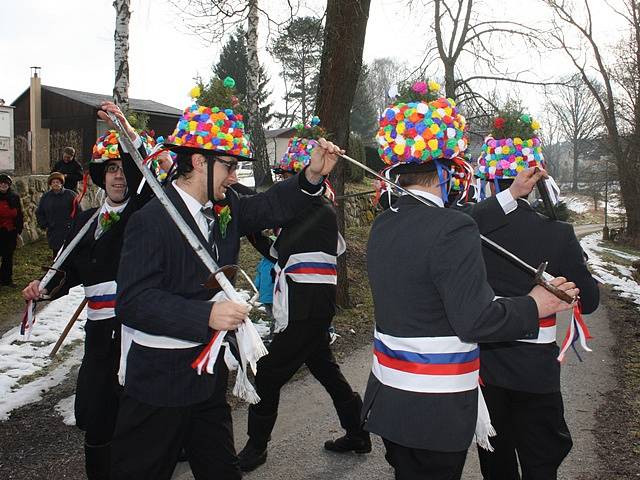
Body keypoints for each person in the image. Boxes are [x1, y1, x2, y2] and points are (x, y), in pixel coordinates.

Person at [111, 78, 340, 480]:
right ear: (199, 161)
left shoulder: (226, 206)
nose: (235, 176)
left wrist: (310, 177)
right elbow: (134, 302)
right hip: (159, 386)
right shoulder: (151, 220)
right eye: (230, 166)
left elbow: (269, 206)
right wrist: (205, 317)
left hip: (207, 380)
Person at [362, 81, 580, 480]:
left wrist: (511, 194)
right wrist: (537, 304)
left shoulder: (386, 223)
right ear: (447, 171)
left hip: (391, 401)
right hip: (435, 410)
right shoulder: (449, 227)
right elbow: (475, 320)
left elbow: (458, 225)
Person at [22, 104, 154, 480]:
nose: (117, 177)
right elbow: (67, 271)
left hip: (135, 331)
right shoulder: (85, 220)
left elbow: (147, 171)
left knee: (136, 413)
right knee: (94, 413)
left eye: (121, 169)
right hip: (98, 335)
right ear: (99, 176)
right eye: (109, 169)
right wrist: (42, 290)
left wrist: (126, 131)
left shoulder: (143, 212)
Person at [237, 118, 371, 472]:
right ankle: (358, 431)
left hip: (306, 312)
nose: (283, 185)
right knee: (325, 369)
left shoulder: (316, 210)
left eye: (287, 177)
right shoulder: (310, 212)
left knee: (267, 372)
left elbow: (274, 229)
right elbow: (282, 252)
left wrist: (241, 200)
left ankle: (256, 445)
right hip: (307, 309)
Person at [474, 111, 600, 480]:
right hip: (536, 374)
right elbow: (588, 301)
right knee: (541, 463)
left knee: (495, 466)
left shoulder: (471, 226)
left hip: (487, 368)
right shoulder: (559, 234)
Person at [36, 171, 79, 255]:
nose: (56, 184)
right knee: (56, 253)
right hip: (53, 230)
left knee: (68, 253)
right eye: (53, 182)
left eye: (58, 182)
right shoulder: (46, 197)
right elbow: (40, 212)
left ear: (61, 183)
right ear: (50, 184)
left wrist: (75, 225)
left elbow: (78, 211)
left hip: (68, 230)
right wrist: (44, 224)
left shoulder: (70, 195)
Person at [0, 173, 23, 287]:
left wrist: (19, 229)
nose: (3, 185)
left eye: (6, 184)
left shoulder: (14, 197)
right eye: (1, 183)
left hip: (10, 231)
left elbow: (19, 214)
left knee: (8, 256)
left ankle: (6, 279)